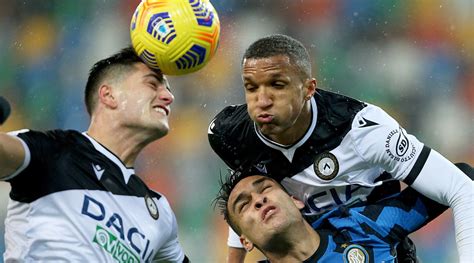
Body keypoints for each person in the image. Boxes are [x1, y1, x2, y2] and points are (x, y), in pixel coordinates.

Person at [208, 34, 474, 262]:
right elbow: (245, 200)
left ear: (308, 88)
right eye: (251, 88)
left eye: (277, 85)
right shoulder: (229, 135)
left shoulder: (363, 131)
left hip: (378, 245)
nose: (262, 100)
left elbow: (461, 186)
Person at [0, 47, 189, 262]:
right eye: (152, 84)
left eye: (168, 89)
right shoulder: (55, 153)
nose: (169, 96)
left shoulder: (160, 213)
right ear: (109, 95)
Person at [215, 172, 457, 263]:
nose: (259, 200)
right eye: (244, 204)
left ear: (296, 200)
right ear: (244, 241)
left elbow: (459, 179)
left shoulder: (361, 226)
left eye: (265, 188)